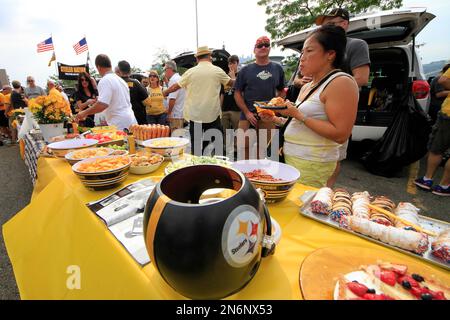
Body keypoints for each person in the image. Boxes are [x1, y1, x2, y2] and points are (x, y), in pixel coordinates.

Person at [259, 25, 359, 188]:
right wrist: (275, 118)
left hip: (312, 165)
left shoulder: (341, 82)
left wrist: (298, 114)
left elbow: (341, 134)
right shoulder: (307, 85)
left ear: (330, 55)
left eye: (309, 51)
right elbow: (299, 124)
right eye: (302, 52)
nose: (302, 58)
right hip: (289, 159)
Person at [313, 8, 371, 187]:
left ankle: (326, 193)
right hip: (316, 105)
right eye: (324, 25)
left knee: (334, 155)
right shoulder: (322, 48)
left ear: (344, 24)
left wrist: (329, 85)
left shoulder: (356, 45)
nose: (325, 28)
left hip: (338, 109)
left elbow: (361, 78)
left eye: (330, 23)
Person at [163, 46, 234, 156]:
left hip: (195, 116)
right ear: (210, 57)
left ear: (197, 59)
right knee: (218, 146)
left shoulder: (190, 72)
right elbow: (231, 83)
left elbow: (175, 87)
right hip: (212, 116)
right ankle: (219, 167)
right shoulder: (217, 71)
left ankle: (197, 168)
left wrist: (164, 92)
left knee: (196, 147)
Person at [234, 36, 286, 159]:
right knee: (243, 147)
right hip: (248, 116)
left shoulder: (277, 68)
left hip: (268, 116)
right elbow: (237, 93)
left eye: (266, 45)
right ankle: (246, 174)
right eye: (260, 45)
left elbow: (282, 91)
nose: (263, 47)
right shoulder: (245, 70)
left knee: (264, 149)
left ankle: (260, 174)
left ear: (270, 48)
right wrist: (247, 112)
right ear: (254, 50)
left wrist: (274, 109)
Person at [74, 54, 137, 130]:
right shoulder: (120, 80)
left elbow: (102, 105)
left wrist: (84, 113)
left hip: (119, 124)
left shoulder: (105, 80)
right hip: (131, 121)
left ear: (98, 67)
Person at [414, 66, 450, 196]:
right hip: (447, 114)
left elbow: (444, 79)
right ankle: (444, 185)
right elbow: (443, 80)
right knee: (437, 148)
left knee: (437, 148)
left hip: (447, 114)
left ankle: (427, 179)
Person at [118, 60, 150, 125]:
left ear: (119, 71)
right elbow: (147, 102)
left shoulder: (115, 83)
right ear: (130, 71)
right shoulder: (136, 83)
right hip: (138, 117)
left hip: (120, 119)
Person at [164, 60, 186, 132]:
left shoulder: (173, 80)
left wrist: (169, 113)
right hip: (180, 113)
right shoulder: (179, 78)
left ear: (169, 69)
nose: (164, 72)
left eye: (165, 70)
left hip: (175, 115)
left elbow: (172, 99)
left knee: (176, 138)